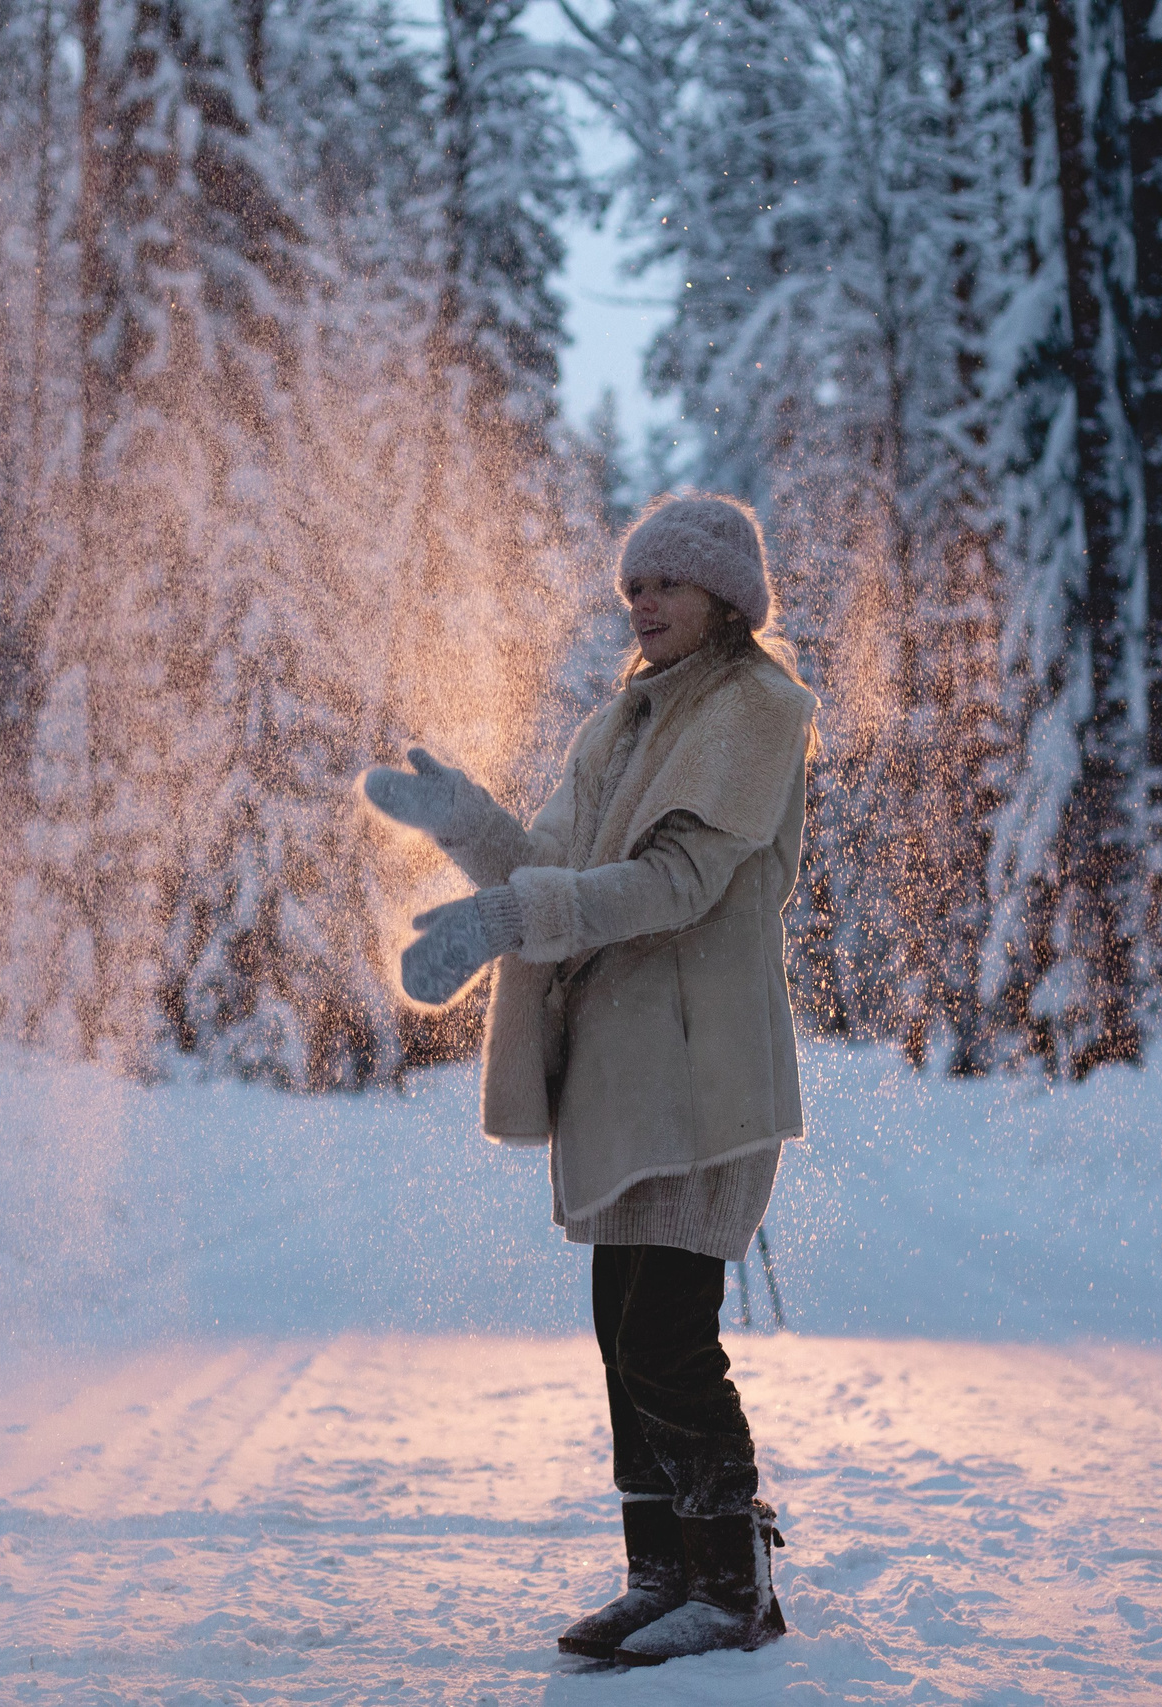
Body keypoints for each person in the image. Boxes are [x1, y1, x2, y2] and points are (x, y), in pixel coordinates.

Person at [360, 493, 815, 1667]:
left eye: (665, 583)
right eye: (633, 589)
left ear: (726, 595)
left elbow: (673, 885)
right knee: (623, 1332)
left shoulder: (757, 711)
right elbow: (554, 871)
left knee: (668, 1332)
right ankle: (660, 1572)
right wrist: (463, 826)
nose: (644, 604)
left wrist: (519, 910)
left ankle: (731, 1582)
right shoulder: (617, 726)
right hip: (618, 1081)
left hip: (703, 1076)